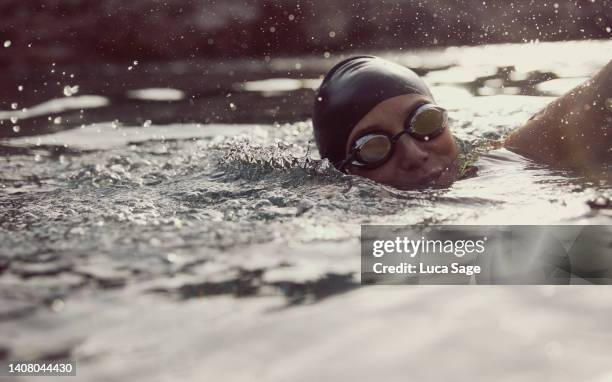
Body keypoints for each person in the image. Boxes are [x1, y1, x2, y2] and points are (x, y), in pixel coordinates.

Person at [312, 56, 611, 189]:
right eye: (373, 147)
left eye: (424, 121)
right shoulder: (366, 247)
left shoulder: (511, 162)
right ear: (342, 170)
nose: (414, 155)